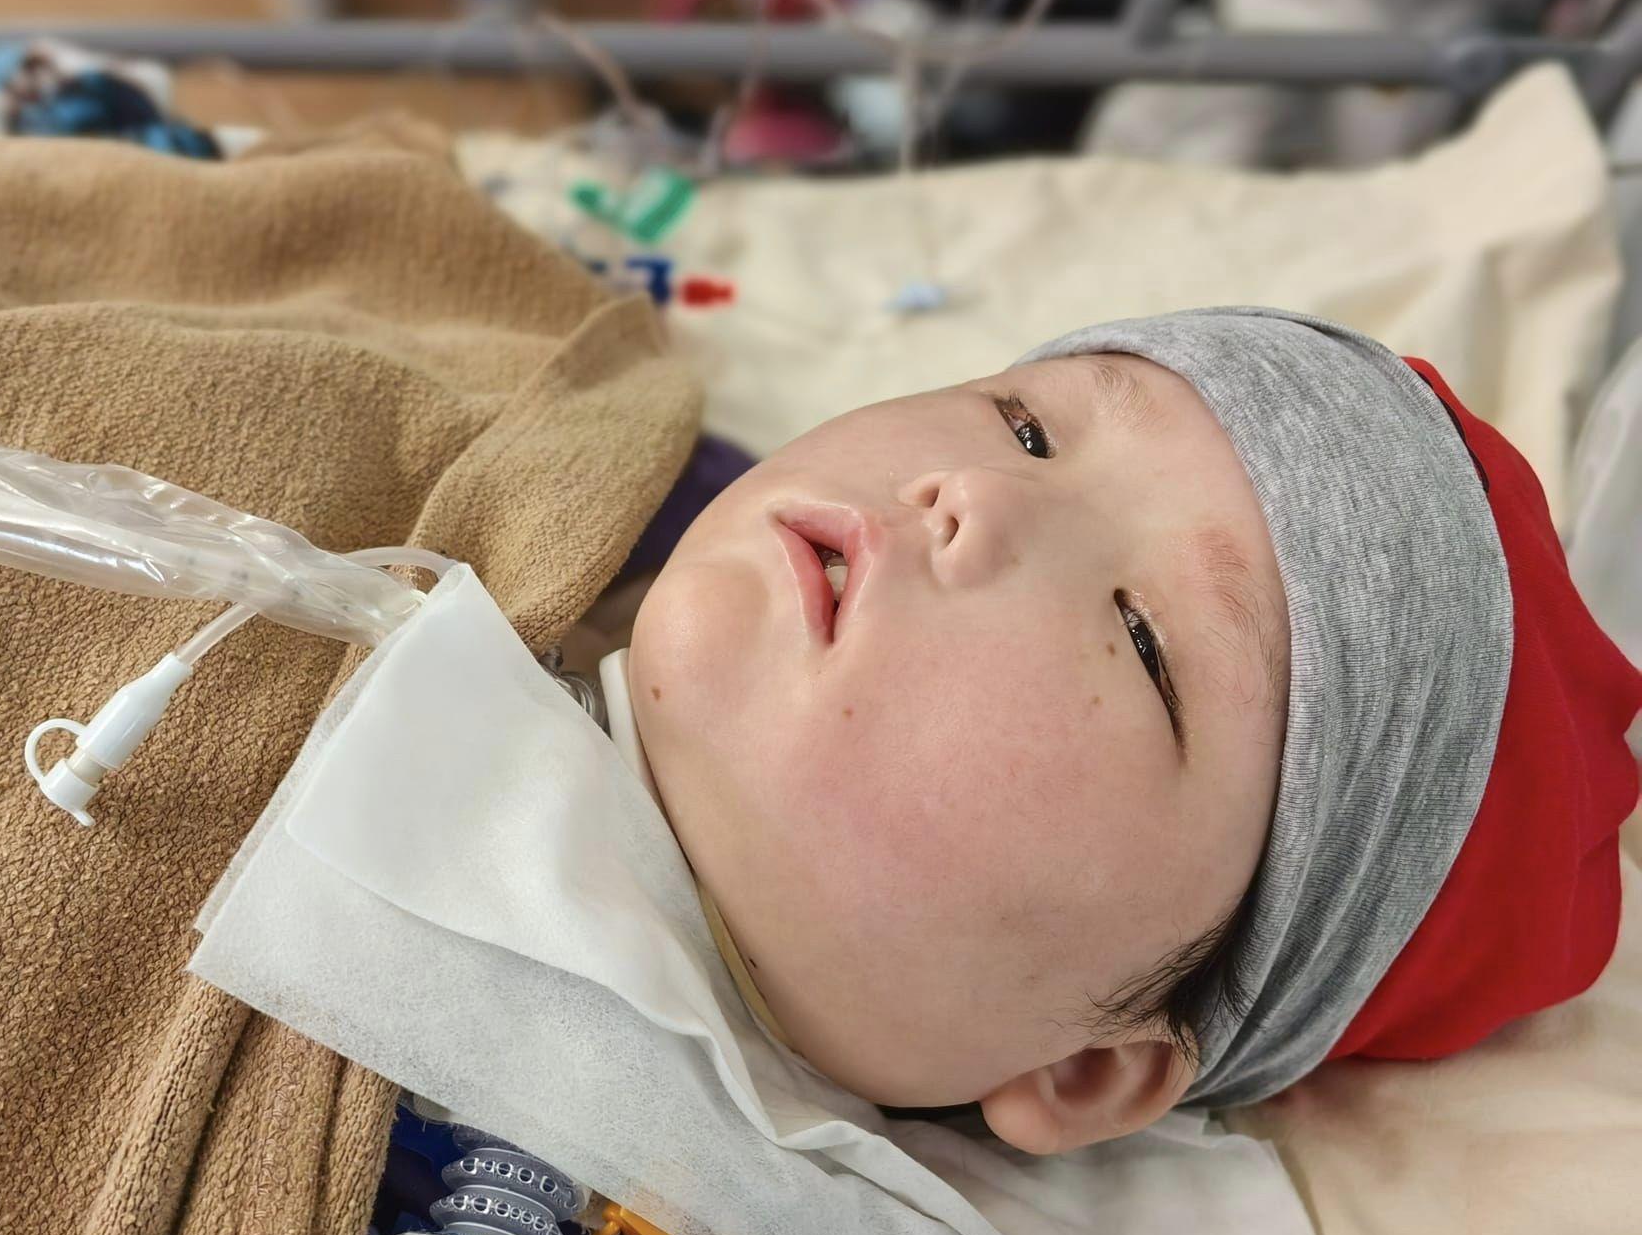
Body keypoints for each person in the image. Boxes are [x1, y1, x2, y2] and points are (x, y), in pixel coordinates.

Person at [617, 307, 1642, 1152]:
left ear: (1084, 1072)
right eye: (1027, 428)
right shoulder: (595, 430)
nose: (980, 495)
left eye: (1143, 640)